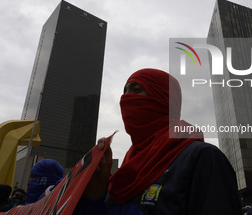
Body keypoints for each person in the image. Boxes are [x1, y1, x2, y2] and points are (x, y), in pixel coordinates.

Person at [74, 68, 241, 214]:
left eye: (136, 90)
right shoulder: (126, 166)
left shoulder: (202, 157)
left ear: (163, 98)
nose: (126, 98)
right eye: (125, 91)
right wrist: (95, 194)